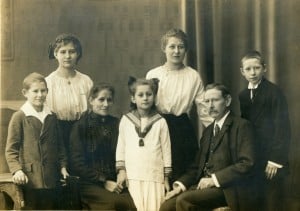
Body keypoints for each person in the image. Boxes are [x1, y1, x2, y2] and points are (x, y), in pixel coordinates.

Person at [159, 83, 257, 211]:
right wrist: (180, 186)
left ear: (227, 101)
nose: (210, 105)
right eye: (207, 101)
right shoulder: (208, 130)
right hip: (204, 188)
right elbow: (197, 166)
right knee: (167, 206)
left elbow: (246, 163)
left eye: (215, 100)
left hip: (229, 189)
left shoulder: (241, 126)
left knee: (185, 200)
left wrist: (214, 179)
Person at [146, 28, 213, 183]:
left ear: (185, 50)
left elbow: (204, 110)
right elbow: (145, 106)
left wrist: (216, 133)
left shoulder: (193, 75)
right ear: (164, 48)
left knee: (183, 173)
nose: (176, 51)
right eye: (172, 46)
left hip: (182, 129)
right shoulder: (153, 74)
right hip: (158, 125)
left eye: (181, 47)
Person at [5, 72, 69, 210]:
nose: (40, 95)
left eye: (43, 90)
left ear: (47, 91)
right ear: (25, 93)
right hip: (30, 179)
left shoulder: (51, 116)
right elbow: (11, 150)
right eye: (35, 91)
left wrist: (63, 166)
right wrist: (17, 171)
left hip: (52, 177)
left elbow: (60, 147)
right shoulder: (20, 117)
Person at [69, 83, 136, 210]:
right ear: (91, 100)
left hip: (115, 180)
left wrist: (122, 172)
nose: (105, 104)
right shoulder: (80, 127)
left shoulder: (117, 123)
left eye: (109, 100)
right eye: (101, 99)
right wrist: (103, 181)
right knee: (111, 204)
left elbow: (125, 153)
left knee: (131, 203)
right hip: (89, 183)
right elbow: (77, 164)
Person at [239, 50, 291, 211]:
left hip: (271, 159)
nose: (253, 72)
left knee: (272, 202)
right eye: (248, 69)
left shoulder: (274, 92)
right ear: (242, 72)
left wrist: (275, 160)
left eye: (256, 68)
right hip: (254, 157)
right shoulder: (243, 95)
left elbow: (282, 127)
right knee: (255, 201)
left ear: (264, 68)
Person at [116, 77, 172, 211]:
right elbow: (121, 147)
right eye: (140, 95)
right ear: (133, 98)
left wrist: (166, 178)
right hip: (133, 174)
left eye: (149, 94)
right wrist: (121, 171)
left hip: (154, 175)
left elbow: (166, 150)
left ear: (154, 97)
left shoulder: (160, 122)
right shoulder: (126, 120)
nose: (145, 98)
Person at [46, 33, 93, 154]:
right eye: (63, 52)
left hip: (82, 133)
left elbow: (91, 109)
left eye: (72, 52)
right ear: (56, 54)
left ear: (78, 54)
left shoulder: (85, 81)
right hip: (57, 134)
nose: (67, 56)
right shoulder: (48, 82)